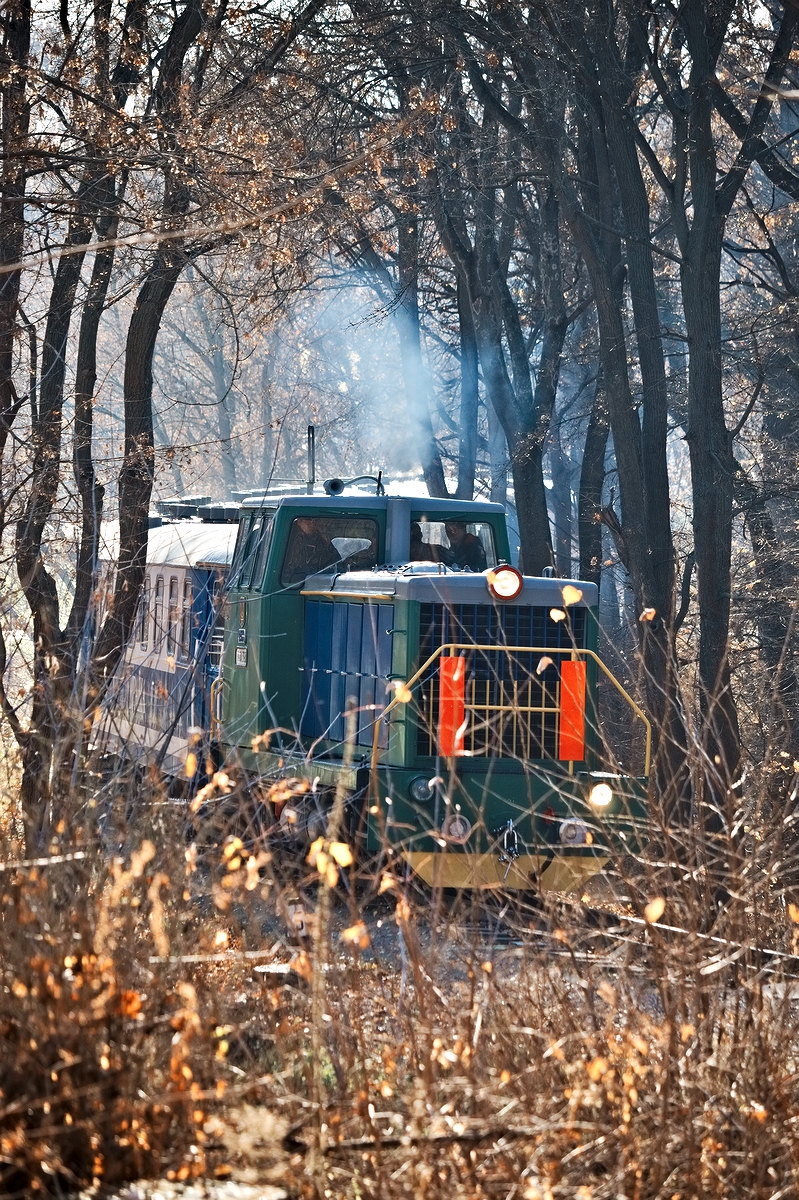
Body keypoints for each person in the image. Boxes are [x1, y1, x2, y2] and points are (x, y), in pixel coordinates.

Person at [281, 517, 340, 584]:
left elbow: (336, 563)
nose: (312, 523)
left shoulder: (321, 540)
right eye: (308, 520)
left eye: (315, 520)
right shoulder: (288, 536)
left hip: (318, 581)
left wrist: (326, 542)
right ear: (299, 521)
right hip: (292, 582)